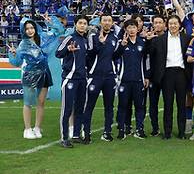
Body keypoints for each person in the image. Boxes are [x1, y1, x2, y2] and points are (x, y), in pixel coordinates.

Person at [7, 18, 58, 139]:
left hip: (45, 74)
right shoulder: (23, 44)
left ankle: (37, 127)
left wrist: (51, 22)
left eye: (32, 28)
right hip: (30, 75)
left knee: (41, 103)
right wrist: (13, 54)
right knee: (28, 103)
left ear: (35, 28)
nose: (30, 31)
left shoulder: (43, 39)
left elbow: (58, 31)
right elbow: (17, 62)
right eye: (27, 29)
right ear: (23, 31)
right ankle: (27, 128)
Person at [149, 15, 191, 139]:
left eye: (175, 23)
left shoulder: (187, 39)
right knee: (168, 104)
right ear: (167, 25)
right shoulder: (159, 39)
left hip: (181, 73)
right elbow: (150, 54)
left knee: (181, 104)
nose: (173, 26)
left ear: (179, 25)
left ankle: (182, 132)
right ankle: (167, 132)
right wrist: (148, 40)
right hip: (166, 74)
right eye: (171, 23)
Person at [83, 13, 120, 142]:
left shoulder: (115, 38)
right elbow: (91, 53)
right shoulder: (93, 36)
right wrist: (101, 43)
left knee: (109, 106)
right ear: (100, 22)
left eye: (109, 20)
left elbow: (114, 57)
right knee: (90, 105)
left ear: (112, 23)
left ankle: (107, 132)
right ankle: (86, 133)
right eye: (104, 20)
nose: (107, 23)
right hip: (95, 76)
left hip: (110, 77)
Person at [55, 15, 89, 148]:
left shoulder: (85, 40)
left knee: (80, 108)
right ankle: (64, 138)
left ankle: (76, 135)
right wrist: (67, 50)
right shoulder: (70, 38)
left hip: (82, 79)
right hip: (69, 79)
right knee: (67, 109)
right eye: (80, 23)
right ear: (75, 24)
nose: (82, 25)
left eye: (85, 23)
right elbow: (58, 53)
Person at [115, 20, 151, 140]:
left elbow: (146, 61)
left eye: (133, 27)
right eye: (129, 28)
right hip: (124, 80)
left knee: (140, 106)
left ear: (137, 29)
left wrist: (146, 76)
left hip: (139, 80)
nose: (131, 30)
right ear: (125, 29)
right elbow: (114, 57)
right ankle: (122, 129)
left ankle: (140, 129)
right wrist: (122, 46)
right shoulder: (122, 43)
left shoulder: (143, 42)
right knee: (123, 105)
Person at [145, 14, 167, 136]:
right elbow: (146, 56)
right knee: (153, 103)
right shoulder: (150, 38)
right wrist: (148, 41)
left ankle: (166, 128)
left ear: (164, 24)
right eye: (156, 22)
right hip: (153, 76)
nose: (158, 25)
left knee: (168, 103)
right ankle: (155, 127)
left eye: (160, 22)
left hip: (167, 75)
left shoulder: (169, 38)